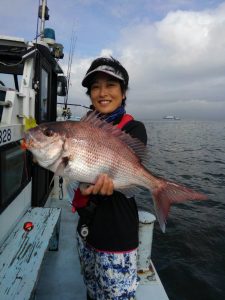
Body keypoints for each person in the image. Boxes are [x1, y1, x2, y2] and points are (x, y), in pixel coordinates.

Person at [74, 56, 147, 300]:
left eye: (111, 85)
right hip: (87, 229)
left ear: (123, 92)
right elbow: (80, 171)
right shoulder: (82, 128)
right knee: (91, 291)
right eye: (95, 87)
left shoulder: (134, 129)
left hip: (117, 236)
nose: (102, 92)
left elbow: (128, 174)